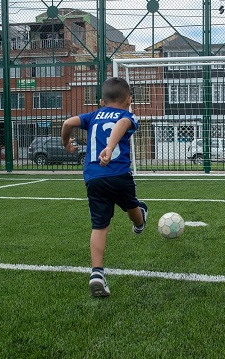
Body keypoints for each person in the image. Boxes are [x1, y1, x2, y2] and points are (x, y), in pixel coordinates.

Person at [61, 77, 147, 298]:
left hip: (93, 177)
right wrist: (110, 147)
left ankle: (97, 273)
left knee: (99, 226)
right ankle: (140, 221)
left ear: (101, 101)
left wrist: (67, 144)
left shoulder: (93, 115)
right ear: (129, 100)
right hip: (119, 174)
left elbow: (67, 124)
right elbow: (121, 124)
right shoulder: (127, 115)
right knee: (132, 208)